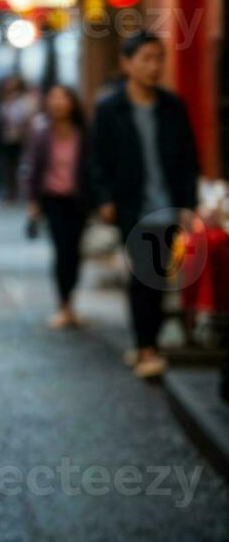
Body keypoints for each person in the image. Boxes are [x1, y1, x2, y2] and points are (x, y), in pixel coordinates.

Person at [90, 31, 200, 379]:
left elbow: (187, 158)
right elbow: (97, 159)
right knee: (144, 276)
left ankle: (146, 343)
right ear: (127, 62)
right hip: (132, 206)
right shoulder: (111, 108)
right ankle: (147, 347)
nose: (154, 66)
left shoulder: (172, 106)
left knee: (160, 276)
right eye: (146, 58)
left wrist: (190, 203)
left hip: (170, 206)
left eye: (159, 58)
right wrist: (105, 199)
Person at [20, 84, 93, 329]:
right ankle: (64, 304)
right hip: (52, 200)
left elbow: (92, 168)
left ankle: (70, 301)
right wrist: (32, 201)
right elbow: (31, 167)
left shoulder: (83, 132)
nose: (59, 102)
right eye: (54, 98)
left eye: (64, 97)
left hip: (79, 200)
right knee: (62, 250)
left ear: (72, 102)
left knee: (75, 252)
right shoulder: (41, 132)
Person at [0, 76, 38, 201]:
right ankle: (11, 191)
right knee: (9, 165)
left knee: (25, 164)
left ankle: (26, 190)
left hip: (23, 138)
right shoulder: (5, 100)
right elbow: (3, 118)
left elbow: (27, 118)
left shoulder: (25, 100)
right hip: (8, 137)